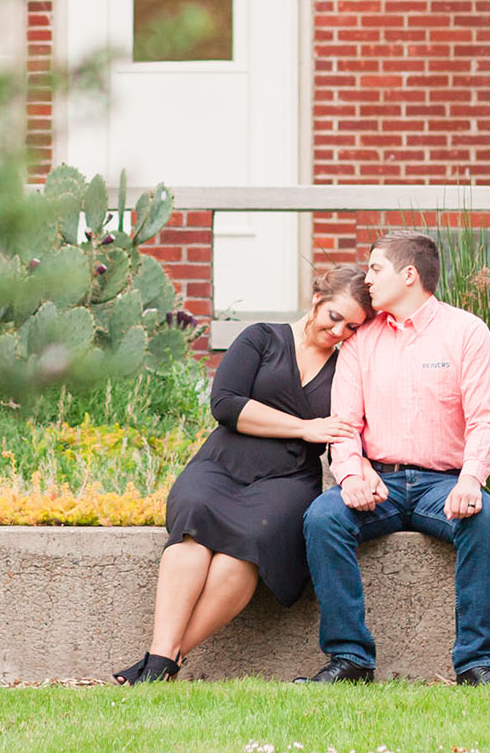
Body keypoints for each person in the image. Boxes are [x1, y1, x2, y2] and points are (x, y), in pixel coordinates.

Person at [113, 266, 384, 684]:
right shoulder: (262, 338)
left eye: (352, 327)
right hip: (223, 464)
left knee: (248, 546)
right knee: (194, 521)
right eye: (334, 317)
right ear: (316, 299)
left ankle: (162, 665)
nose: (339, 332)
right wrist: (305, 427)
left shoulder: (347, 366)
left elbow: (350, 431)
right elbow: (225, 403)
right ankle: (161, 654)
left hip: (288, 480)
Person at [298, 230, 490, 686]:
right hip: (381, 484)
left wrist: (471, 480)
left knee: (485, 520)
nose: (367, 280)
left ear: (409, 275)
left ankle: (476, 662)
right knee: (322, 517)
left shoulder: (467, 333)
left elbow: (485, 419)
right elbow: (345, 424)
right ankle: (350, 658)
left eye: (376, 269)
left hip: (444, 485)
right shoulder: (360, 340)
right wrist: (351, 474)